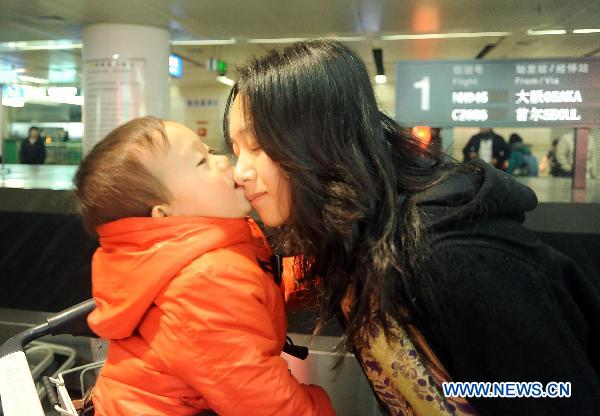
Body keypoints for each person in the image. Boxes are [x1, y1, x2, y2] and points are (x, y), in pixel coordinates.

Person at [225, 40, 600, 416]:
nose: (240, 173)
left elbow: (554, 393)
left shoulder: (453, 255)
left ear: (320, 140)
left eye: (257, 146)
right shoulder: (351, 241)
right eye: (235, 150)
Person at [73, 117, 335, 416]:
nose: (224, 161)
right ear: (164, 213)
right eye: (202, 162)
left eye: (210, 151)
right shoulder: (201, 282)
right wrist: (321, 405)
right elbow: (266, 404)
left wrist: (316, 273)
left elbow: (260, 284)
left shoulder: (206, 251)